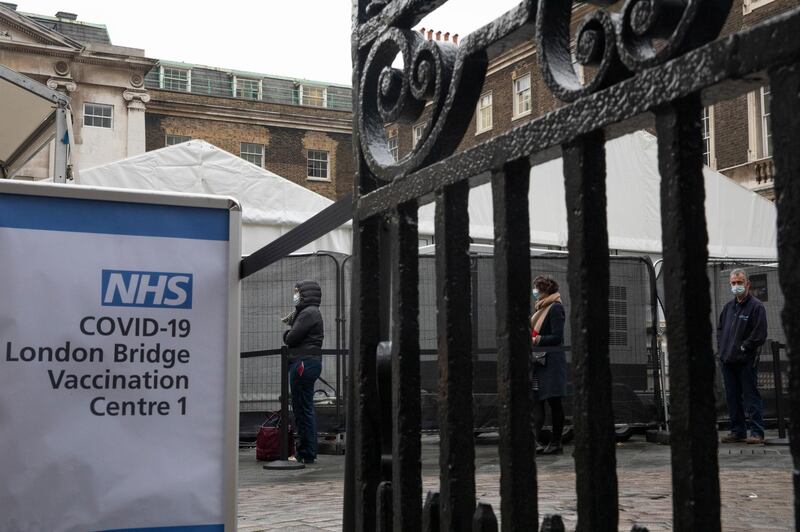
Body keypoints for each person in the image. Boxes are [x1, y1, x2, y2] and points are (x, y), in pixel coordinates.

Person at [717, 268, 767, 444]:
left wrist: (745, 347)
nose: (736, 286)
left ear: (747, 284)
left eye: (739, 282)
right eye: (733, 283)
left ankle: (757, 433)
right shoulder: (728, 308)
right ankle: (738, 431)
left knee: (751, 396)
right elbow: (720, 330)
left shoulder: (756, 307)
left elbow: (760, 334)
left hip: (746, 361)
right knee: (732, 397)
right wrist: (721, 350)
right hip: (727, 360)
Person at [283, 279, 324, 463]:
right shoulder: (309, 312)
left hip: (303, 363)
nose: (295, 295)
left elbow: (291, 338)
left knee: (302, 408)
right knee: (304, 407)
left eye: (297, 291)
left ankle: (306, 453)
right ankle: (307, 451)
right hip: (308, 362)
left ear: (305, 293)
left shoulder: (308, 313)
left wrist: (286, 335)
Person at [530, 275, 567, 455]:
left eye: (537, 288)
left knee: (554, 402)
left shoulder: (555, 308)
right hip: (538, 362)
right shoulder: (540, 308)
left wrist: (536, 339)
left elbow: (558, 337)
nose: (535, 292)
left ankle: (556, 442)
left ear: (545, 290)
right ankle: (536, 441)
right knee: (536, 401)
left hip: (551, 362)